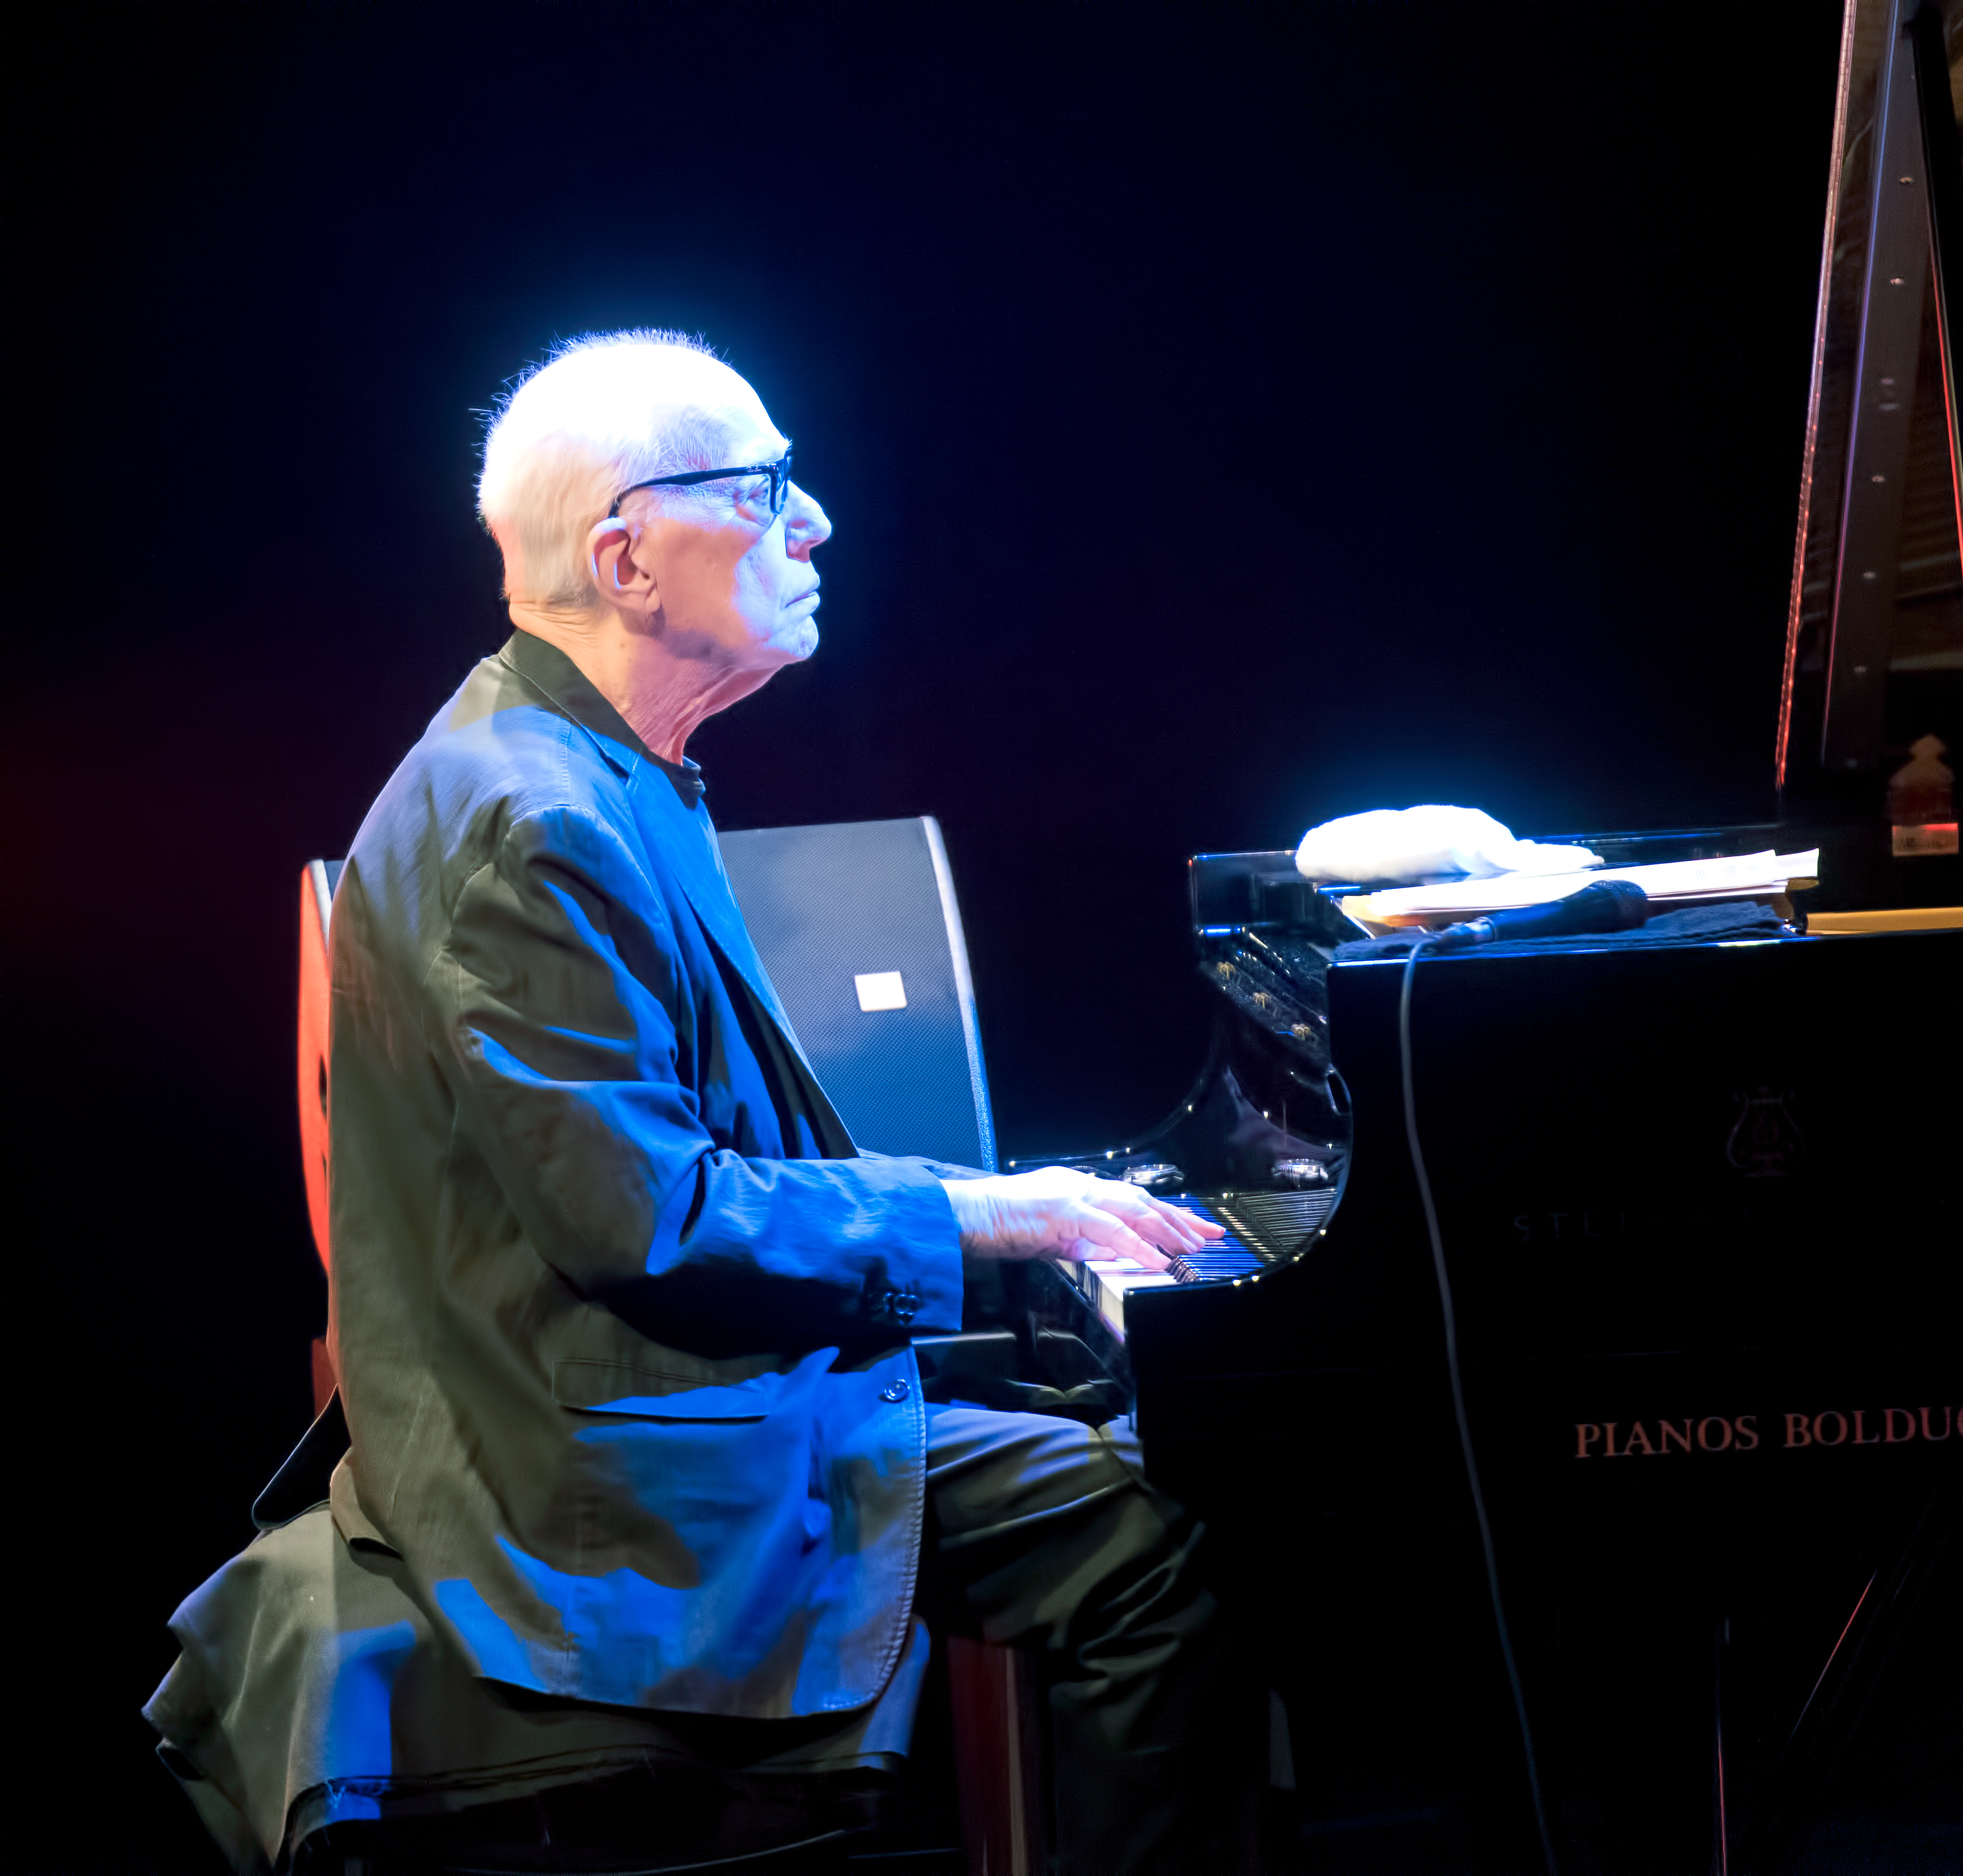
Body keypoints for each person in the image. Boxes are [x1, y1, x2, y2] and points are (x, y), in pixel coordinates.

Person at [144, 331, 1243, 1875]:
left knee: (1114, 1453)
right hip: (595, 1469)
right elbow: (651, 1221)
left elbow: (691, 1164)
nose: (817, 523)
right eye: (766, 486)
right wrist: (992, 1213)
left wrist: (1011, 1202)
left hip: (625, 1398)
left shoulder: (581, 765)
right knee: (1148, 1542)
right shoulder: (533, 821)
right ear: (628, 556)